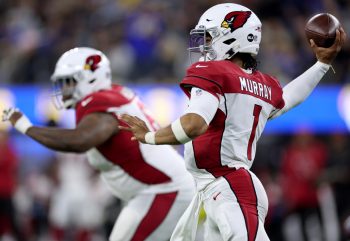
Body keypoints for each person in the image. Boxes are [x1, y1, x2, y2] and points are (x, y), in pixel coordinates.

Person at [118, 3, 346, 241]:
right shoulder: (262, 84)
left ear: (234, 37)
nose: (202, 45)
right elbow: (288, 98)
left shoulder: (213, 72)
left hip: (229, 186)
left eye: (209, 37)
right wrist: (321, 66)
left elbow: (194, 125)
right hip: (216, 189)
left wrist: (149, 136)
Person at [2, 47, 195, 241]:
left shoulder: (100, 103)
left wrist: (26, 127)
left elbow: (79, 141)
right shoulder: (114, 95)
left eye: (68, 81)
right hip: (155, 190)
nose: (63, 89)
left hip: (164, 190)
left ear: (91, 78)